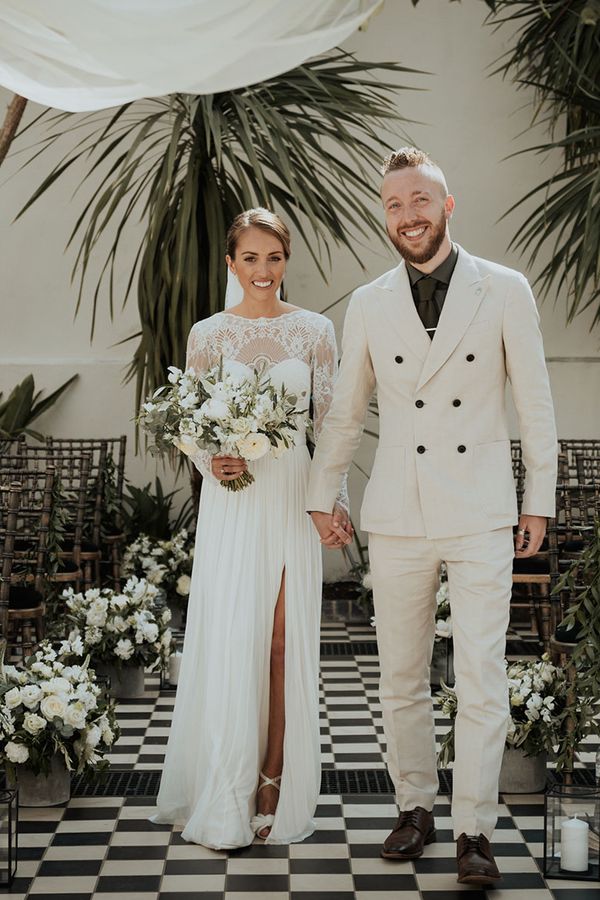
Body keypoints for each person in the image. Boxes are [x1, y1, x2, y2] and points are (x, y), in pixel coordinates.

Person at [306, 148, 557, 885]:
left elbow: (535, 403)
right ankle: (415, 806)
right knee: (401, 675)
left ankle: (475, 828)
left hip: (482, 511)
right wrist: (325, 496)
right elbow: (347, 412)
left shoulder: (505, 289)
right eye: (393, 205)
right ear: (384, 216)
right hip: (400, 511)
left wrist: (538, 498)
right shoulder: (371, 301)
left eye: (420, 200)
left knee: (481, 675)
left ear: (447, 206)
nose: (407, 215)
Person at [153, 207, 350, 848]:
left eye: (274, 257)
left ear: (285, 261)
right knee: (235, 640)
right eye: (251, 258)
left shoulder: (316, 332)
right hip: (235, 500)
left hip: (293, 495)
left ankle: (274, 776)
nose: (263, 271)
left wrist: (334, 503)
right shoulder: (208, 334)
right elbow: (188, 421)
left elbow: (331, 428)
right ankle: (227, 782)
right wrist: (212, 457)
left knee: (282, 643)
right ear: (232, 263)